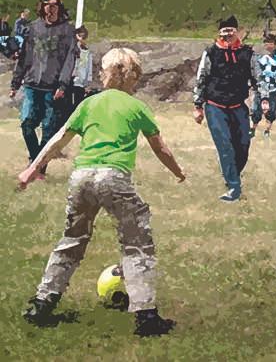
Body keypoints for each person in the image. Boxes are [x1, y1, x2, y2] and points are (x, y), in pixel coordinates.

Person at [18, 47, 186, 337]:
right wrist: (178, 171)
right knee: (137, 241)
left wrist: (33, 169)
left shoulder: (89, 103)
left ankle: (42, 303)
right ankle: (145, 314)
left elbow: (59, 138)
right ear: (136, 77)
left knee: (72, 239)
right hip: (114, 178)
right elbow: (161, 147)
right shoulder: (137, 107)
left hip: (82, 177)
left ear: (104, 75)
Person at [193, 15, 262, 202]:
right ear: (219, 33)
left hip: (238, 105)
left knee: (243, 146)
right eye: (224, 30)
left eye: (231, 30)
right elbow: (201, 79)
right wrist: (197, 106)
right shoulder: (210, 53)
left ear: (237, 31)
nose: (227, 34)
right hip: (215, 106)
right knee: (225, 146)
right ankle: (234, 187)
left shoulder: (248, 53)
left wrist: (260, 104)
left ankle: (232, 175)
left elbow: (258, 80)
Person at [9, 0, 77, 179]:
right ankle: (35, 161)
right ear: (42, 6)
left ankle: (39, 170)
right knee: (26, 124)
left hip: (53, 88)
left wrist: (63, 85)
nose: (51, 9)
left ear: (59, 7)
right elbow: (24, 58)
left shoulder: (67, 31)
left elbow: (69, 61)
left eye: (54, 5)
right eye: (47, 5)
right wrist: (16, 82)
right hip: (31, 85)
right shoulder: (33, 28)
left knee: (49, 130)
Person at [250, 33, 276, 138]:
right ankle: (253, 129)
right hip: (260, 87)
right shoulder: (259, 57)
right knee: (255, 109)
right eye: (267, 43)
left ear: (275, 44)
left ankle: (267, 131)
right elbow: (254, 71)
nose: (269, 45)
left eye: (271, 43)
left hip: (273, 88)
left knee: (271, 111)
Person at [71, 24, 93, 111]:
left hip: (81, 82)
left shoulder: (88, 52)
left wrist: (87, 84)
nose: (82, 39)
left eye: (84, 37)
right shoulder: (72, 49)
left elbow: (89, 68)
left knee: (78, 104)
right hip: (71, 80)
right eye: (80, 36)